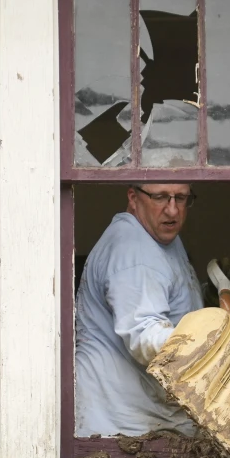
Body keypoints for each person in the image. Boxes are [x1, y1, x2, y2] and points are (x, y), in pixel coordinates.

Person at [75, 183, 205, 438]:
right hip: (121, 429)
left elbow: (163, 300)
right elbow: (144, 335)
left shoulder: (160, 236)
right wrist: (210, 346)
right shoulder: (134, 250)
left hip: (144, 419)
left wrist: (210, 294)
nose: (172, 210)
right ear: (134, 198)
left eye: (180, 198)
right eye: (160, 198)